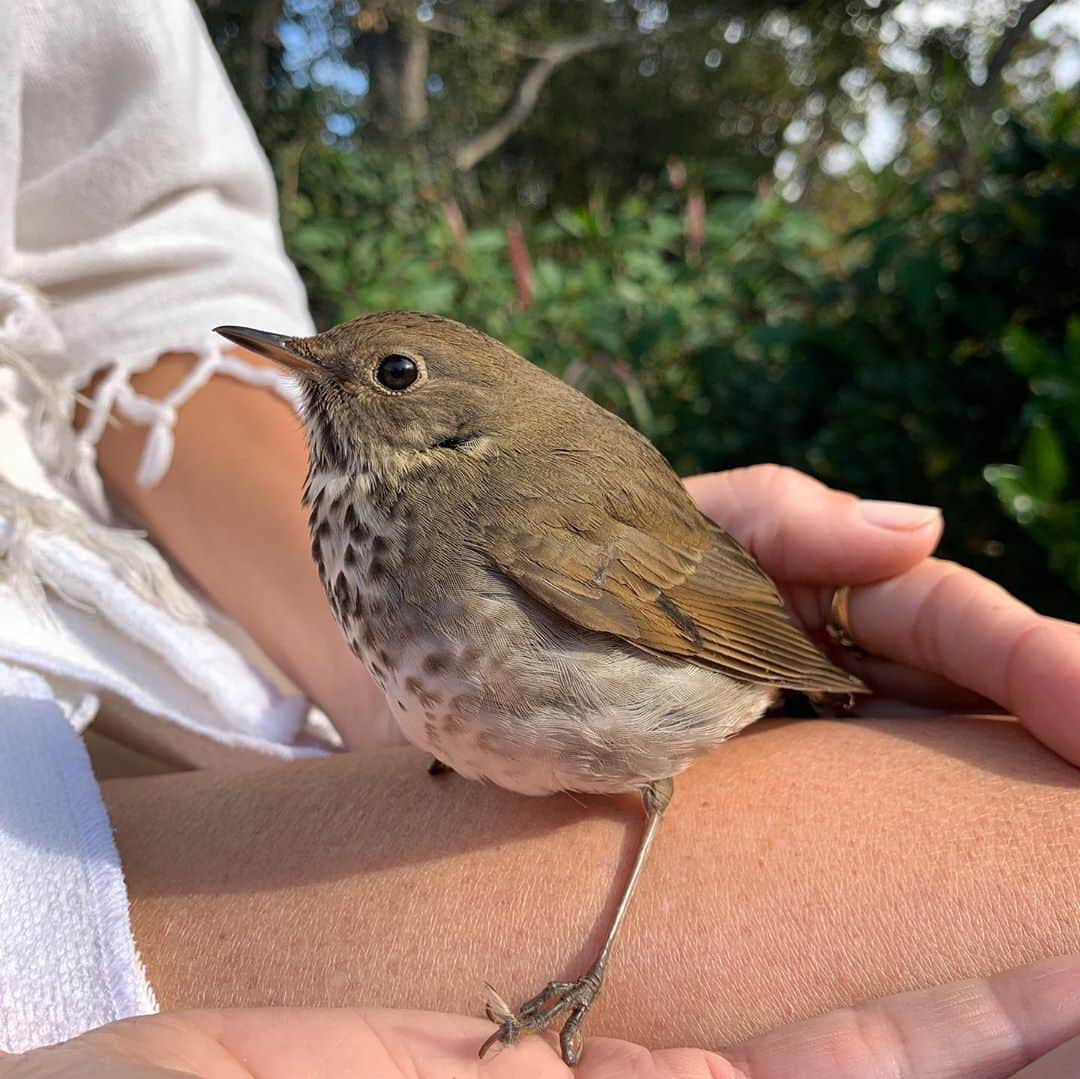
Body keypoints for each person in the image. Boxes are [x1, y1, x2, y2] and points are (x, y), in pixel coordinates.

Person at [0, 0, 1077, 1073]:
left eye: (389, 376)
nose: (332, 374)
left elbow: (131, 276)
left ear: (453, 413)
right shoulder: (381, 500)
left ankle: (591, 961)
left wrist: (822, 669)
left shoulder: (514, 508)